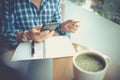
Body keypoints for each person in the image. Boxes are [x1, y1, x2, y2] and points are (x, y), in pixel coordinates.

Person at [1, 0, 80, 80]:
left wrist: (62, 27)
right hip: (20, 52)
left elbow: (56, 25)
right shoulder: (8, 2)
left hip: (49, 50)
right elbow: (6, 31)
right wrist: (27, 35)